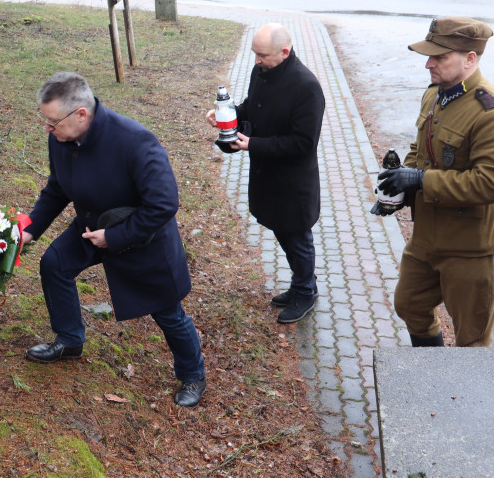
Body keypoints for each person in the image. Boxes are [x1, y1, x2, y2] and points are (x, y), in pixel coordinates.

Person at [20, 72, 207, 408]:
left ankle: (192, 374)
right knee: (54, 264)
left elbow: (164, 204)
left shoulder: (134, 141)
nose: (47, 129)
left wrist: (116, 236)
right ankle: (69, 339)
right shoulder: (61, 138)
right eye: (45, 121)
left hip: (142, 238)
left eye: (52, 122)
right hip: (93, 226)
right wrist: (30, 228)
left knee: (167, 312)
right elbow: (58, 188)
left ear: (81, 114)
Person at [375, 17, 494, 346]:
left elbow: (489, 184)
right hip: (428, 236)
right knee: (409, 304)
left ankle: (464, 395)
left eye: (439, 57)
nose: (429, 64)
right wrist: (400, 190)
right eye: (429, 56)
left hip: (471, 246)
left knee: (471, 338)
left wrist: (421, 180)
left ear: (469, 59)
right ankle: (434, 370)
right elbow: (420, 149)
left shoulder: (493, 114)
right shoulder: (435, 96)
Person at [206, 23, 325, 324]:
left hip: (293, 183)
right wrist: (227, 115)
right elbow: (252, 107)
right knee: (284, 234)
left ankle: (305, 293)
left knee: (297, 238)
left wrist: (253, 144)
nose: (256, 60)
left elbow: (303, 143)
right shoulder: (261, 71)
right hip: (268, 177)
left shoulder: (306, 87)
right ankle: (303, 285)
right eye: (254, 54)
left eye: (262, 55)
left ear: (284, 52)